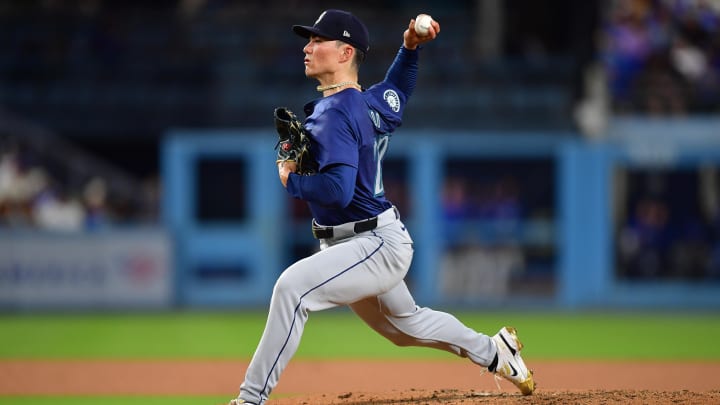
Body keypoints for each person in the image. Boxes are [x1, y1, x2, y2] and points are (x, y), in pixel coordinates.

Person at [229, 9, 535, 405]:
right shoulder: (367, 103)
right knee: (407, 326)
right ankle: (497, 352)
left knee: (292, 289)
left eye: (317, 41)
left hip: (372, 242)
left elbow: (337, 191)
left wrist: (292, 179)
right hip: (365, 240)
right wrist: (409, 49)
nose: (307, 48)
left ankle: (249, 399)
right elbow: (398, 90)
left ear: (344, 53)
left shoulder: (337, 112)